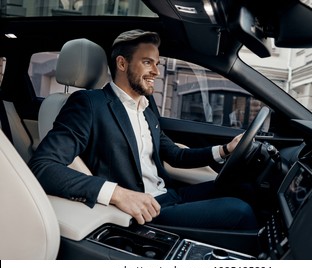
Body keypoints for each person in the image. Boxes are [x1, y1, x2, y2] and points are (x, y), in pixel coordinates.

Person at [28, 29, 258, 230]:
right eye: (148, 62)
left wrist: (226, 149)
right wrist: (118, 194)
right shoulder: (89, 104)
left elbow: (175, 155)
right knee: (239, 210)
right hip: (141, 211)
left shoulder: (146, 109)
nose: (156, 72)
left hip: (168, 195)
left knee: (244, 188)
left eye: (157, 63)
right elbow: (43, 166)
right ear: (121, 63)